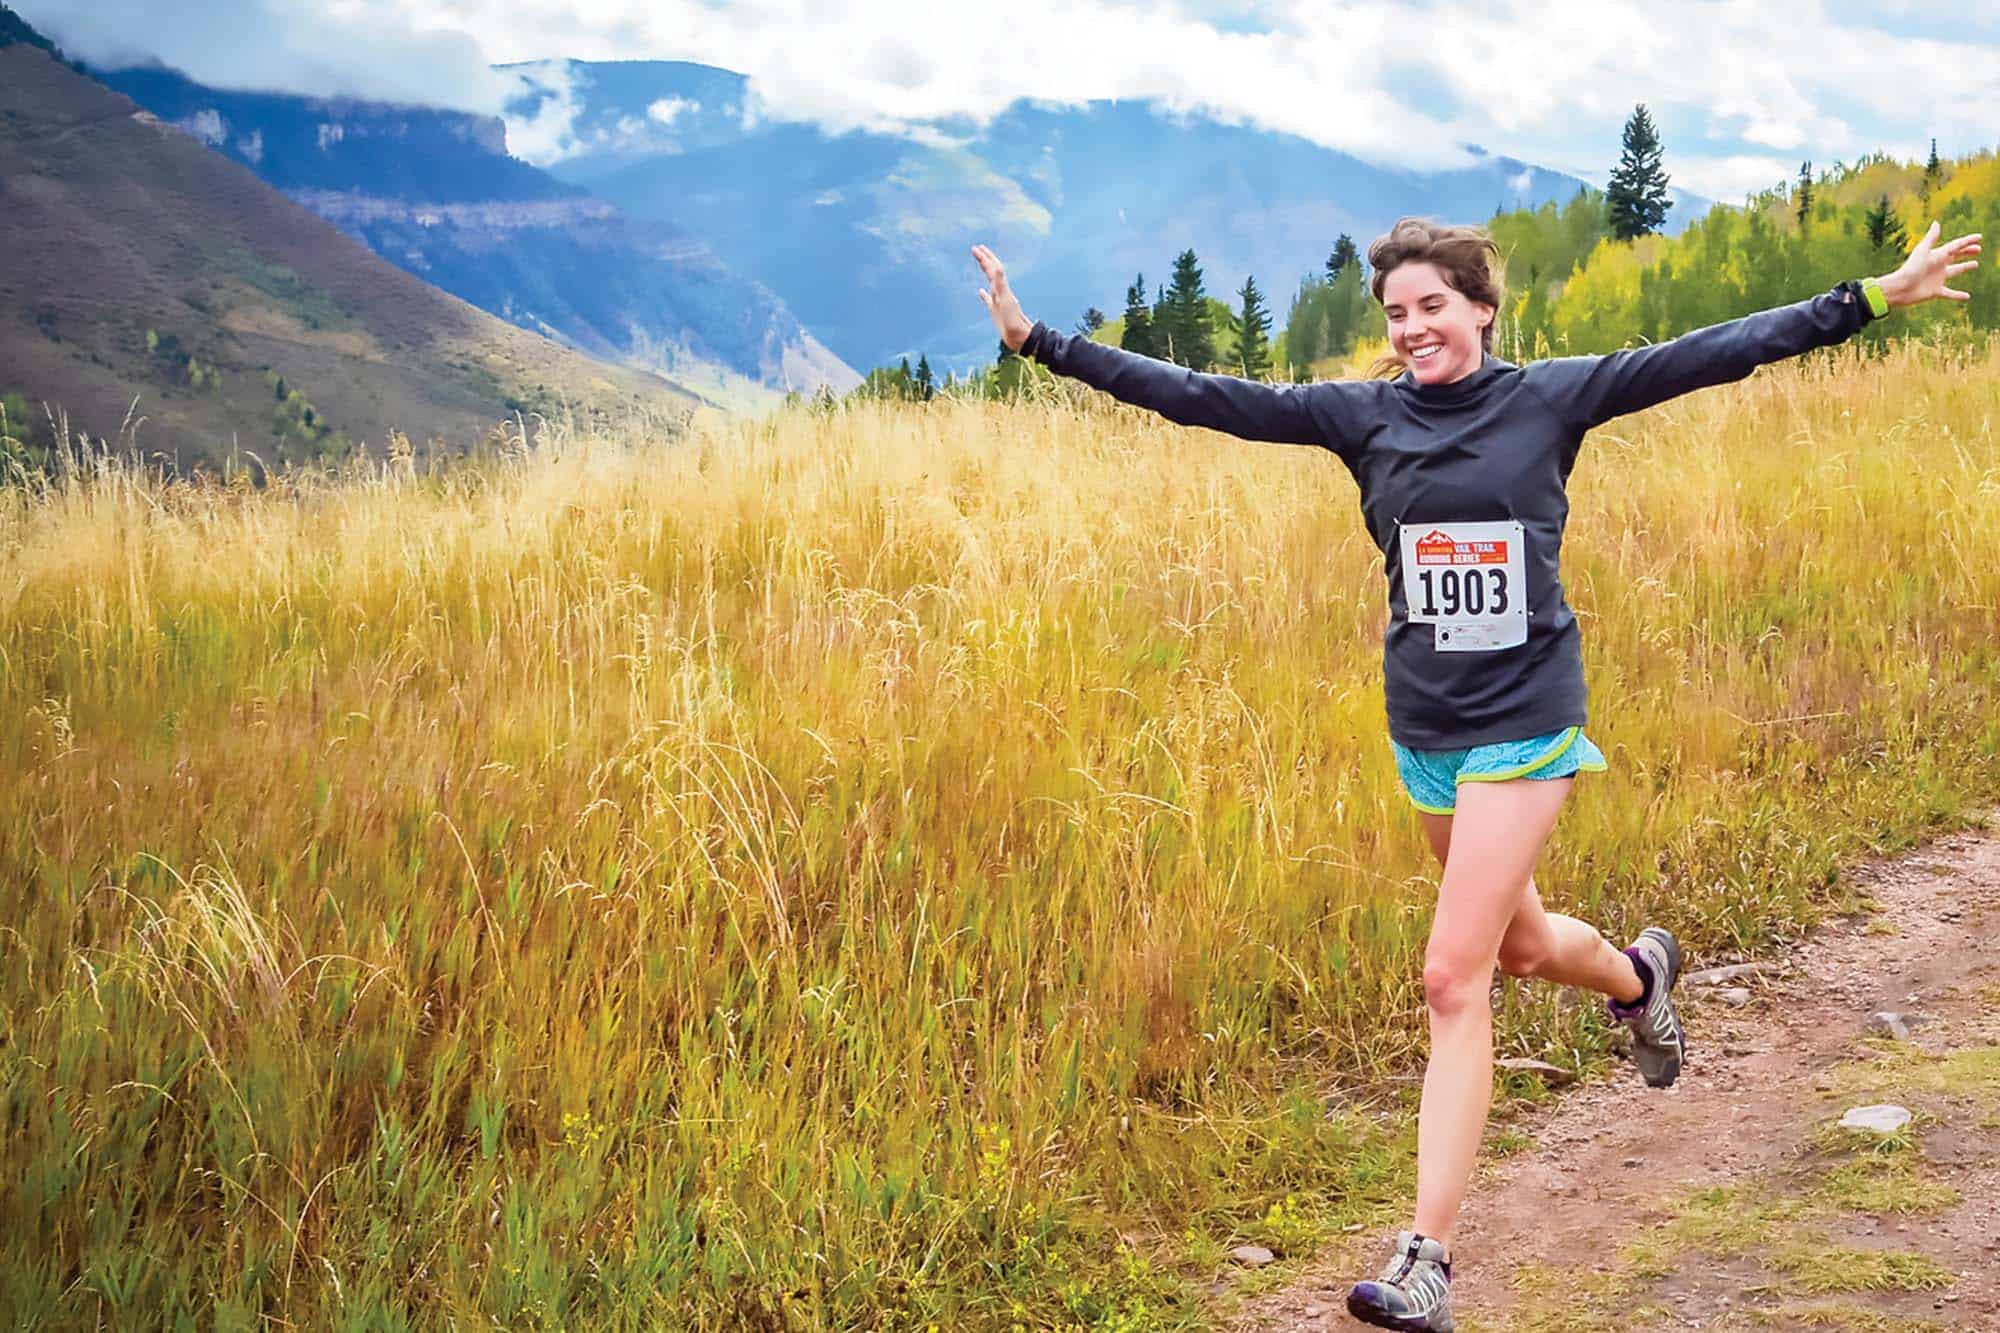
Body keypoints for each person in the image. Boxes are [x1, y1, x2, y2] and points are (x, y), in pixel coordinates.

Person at [971, 216, 1980, 1331]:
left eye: (1430, 308)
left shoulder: (1549, 399)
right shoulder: (1355, 417)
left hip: (1527, 721)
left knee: (1453, 976)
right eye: (1394, 314)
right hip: (1427, 729)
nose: (1411, 330)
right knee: (1519, 944)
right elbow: (1199, 394)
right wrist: (1037, 341)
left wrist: (1871, 296)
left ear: (1480, 308)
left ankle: (1426, 1261)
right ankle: (1640, 978)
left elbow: (1718, 347)